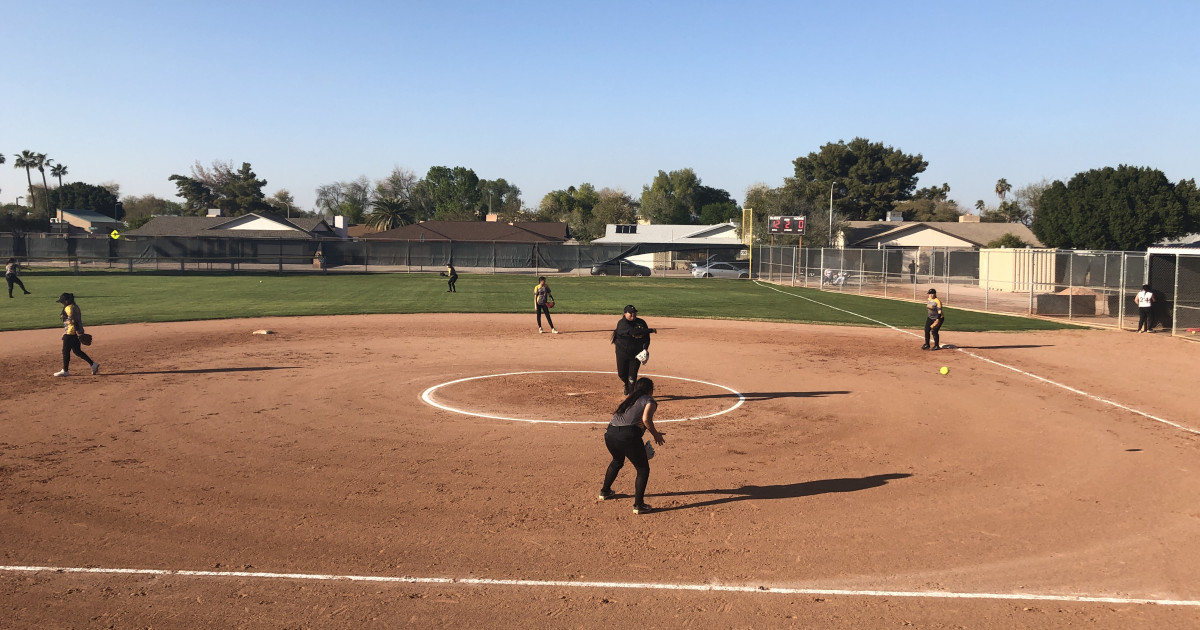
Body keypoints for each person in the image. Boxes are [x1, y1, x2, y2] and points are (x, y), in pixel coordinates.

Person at [598, 377, 666, 515]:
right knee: (643, 469)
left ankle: (605, 492)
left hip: (610, 433)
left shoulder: (629, 399)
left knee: (617, 461)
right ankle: (638, 505)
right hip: (628, 437)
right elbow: (646, 419)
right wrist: (656, 435)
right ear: (650, 390)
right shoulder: (649, 400)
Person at [611, 304, 655, 394]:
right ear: (625, 313)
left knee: (632, 377)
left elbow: (646, 338)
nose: (633, 314)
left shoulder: (641, 322)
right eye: (630, 313)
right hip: (622, 353)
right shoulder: (622, 323)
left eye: (634, 313)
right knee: (622, 374)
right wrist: (650, 330)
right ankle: (626, 384)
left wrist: (645, 349)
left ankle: (632, 396)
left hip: (636, 354)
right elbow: (633, 332)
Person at [53, 292, 99, 377]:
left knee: (65, 351)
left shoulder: (69, 308)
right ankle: (93, 364)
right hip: (74, 331)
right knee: (77, 351)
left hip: (71, 333)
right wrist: (78, 332)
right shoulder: (75, 306)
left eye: (62, 301)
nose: (61, 303)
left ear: (66, 301)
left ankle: (65, 370)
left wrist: (75, 332)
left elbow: (73, 321)